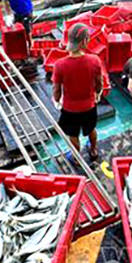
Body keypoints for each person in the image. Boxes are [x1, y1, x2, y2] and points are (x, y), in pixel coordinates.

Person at [53, 24, 104, 161]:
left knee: (73, 134)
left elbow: (56, 88)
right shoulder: (94, 60)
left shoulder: (60, 64)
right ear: (85, 41)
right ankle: (93, 150)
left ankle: (76, 158)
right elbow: (99, 83)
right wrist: (98, 94)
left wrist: (56, 100)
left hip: (70, 109)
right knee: (91, 129)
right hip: (89, 106)